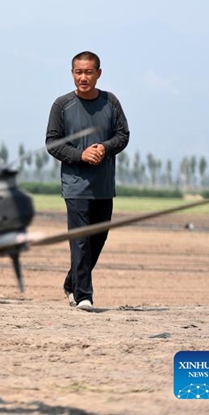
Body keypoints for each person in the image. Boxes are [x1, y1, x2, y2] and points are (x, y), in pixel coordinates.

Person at [45, 51, 130, 311]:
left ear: (98, 74)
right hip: (75, 184)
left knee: (98, 239)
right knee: (81, 240)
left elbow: (123, 135)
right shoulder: (62, 105)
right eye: (78, 72)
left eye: (88, 72)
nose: (83, 77)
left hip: (104, 185)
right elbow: (52, 143)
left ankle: (72, 282)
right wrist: (81, 155)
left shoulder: (110, 102)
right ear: (72, 73)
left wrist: (104, 148)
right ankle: (84, 296)